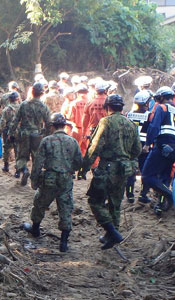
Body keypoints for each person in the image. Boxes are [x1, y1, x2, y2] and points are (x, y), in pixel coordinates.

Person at [80, 94, 141, 250]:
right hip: (124, 169)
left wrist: (85, 167)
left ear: (107, 108)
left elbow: (95, 147)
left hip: (107, 168)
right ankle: (110, 236)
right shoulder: (131, 124)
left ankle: (112, 232)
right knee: (115, 203)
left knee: (95, 201)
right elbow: (137, 150)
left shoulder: (105, 122)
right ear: (122, 107)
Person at [22, 113, 82, 252]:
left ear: (52, 126)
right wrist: (69, 170)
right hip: (66, 179)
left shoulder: (47, 141)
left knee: (40, 203)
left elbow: (38, 163)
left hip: (49, 178)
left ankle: (35, 229)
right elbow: (79, 162)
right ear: (64, 125)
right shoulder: (73, 141)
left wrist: (34, 180)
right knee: (66, 208)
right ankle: (64, 243)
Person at [141, 86, 175, 215]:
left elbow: (154, 126)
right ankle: (162, 206)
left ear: (161, 97)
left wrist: (147, 144)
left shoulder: (162, 107)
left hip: (162, 145)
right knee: (165, 177)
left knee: (147, 176)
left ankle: (170, 196)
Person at [12, 82, 51, 186]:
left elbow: (15, 120)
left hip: (24, 133)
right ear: (42, 94)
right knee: (36, 158)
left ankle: (24, 171)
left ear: (32, 92)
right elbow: (48, 124)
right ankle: (35, 179)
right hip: (37, 135)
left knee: (22, 156)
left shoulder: (24, 104)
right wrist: (47, 137)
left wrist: (11, 133)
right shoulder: (44, 107)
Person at [125, 91, 152, 203]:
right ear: (146, 103)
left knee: (131, 172)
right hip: (144, 146)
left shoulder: (128, 114)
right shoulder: (150, 115)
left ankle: (130, 195)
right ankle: (143, 194)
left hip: (131, 146)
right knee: (145, 172)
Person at [0, 92, 20, 173]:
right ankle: (18, 170)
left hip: (8, 133)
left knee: (6, 149)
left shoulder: (6, 109)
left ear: (9, 100)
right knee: (18, 150)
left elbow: (2, 122)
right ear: (17, 99)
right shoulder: (22, 108)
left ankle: (6, 166)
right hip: (19, 132)